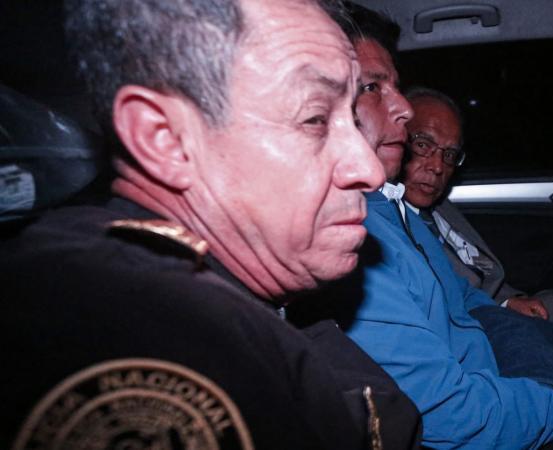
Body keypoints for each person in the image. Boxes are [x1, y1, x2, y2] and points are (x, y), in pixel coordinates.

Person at [0, 0, 422, 449]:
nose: (368, 169)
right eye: (315, 119)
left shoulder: (238, 294)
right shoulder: (136, 326)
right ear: (163, 139)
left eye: (352, 119)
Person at [289, 3, 553, 450]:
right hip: (482, 414)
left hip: (490, 375)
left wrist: (506, 311)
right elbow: (451, 416)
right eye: (373, 87)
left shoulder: (394, 208)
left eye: (450, 154)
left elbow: (455, 291)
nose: (404, 109)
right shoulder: (350, 236)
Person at [401, 87, 553, 329]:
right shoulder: (389, 216)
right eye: (422, 145)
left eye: (449, 154)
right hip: (465, 322)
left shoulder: (439, 206)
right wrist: (501, 307)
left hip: (491, 303)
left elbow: (482, 272)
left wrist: (509, 300)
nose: (438, 166)